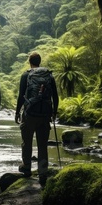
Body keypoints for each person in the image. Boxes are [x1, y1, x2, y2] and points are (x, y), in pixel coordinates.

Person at [15, 52, 59, 186]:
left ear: (30, 62)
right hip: (45, 115)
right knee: (42, 145)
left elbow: (21, 96)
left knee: (26, 142)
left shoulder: (26, 75)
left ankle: (27, 168)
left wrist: (17, 112)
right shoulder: (49, 76)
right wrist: (54, 112)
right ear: (39, 62)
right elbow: (55, 97)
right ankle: (43, 174)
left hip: (29, 115)